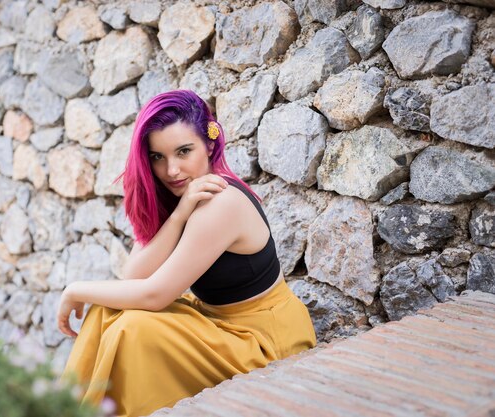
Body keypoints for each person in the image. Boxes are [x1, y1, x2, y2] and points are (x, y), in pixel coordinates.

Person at [57, 90, 317, 417]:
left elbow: (155, 294)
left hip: (263, 340)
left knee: (132, 330)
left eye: (184, 151)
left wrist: (75, 289)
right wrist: (178, 215)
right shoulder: (182, 198)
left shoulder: (221, 202)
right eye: (158, 157)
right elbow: (133, 275)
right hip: (218, 324)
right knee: (106, 312)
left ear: (209, 144)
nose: (172, 170)